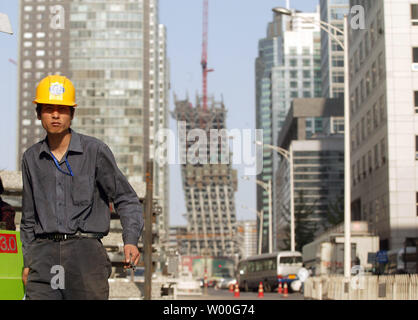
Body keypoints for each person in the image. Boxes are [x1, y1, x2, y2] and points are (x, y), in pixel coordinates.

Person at [20, 75, 144, 300]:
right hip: (43, 255)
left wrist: (131, 240)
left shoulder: (95, 152)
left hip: (85, 255)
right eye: (49, 108)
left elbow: (126, 199)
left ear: (72, 114)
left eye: (62, 109)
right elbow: (28, 218)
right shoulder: (31, 158)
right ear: (39, 114)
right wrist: (28, 261)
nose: (55, 115)